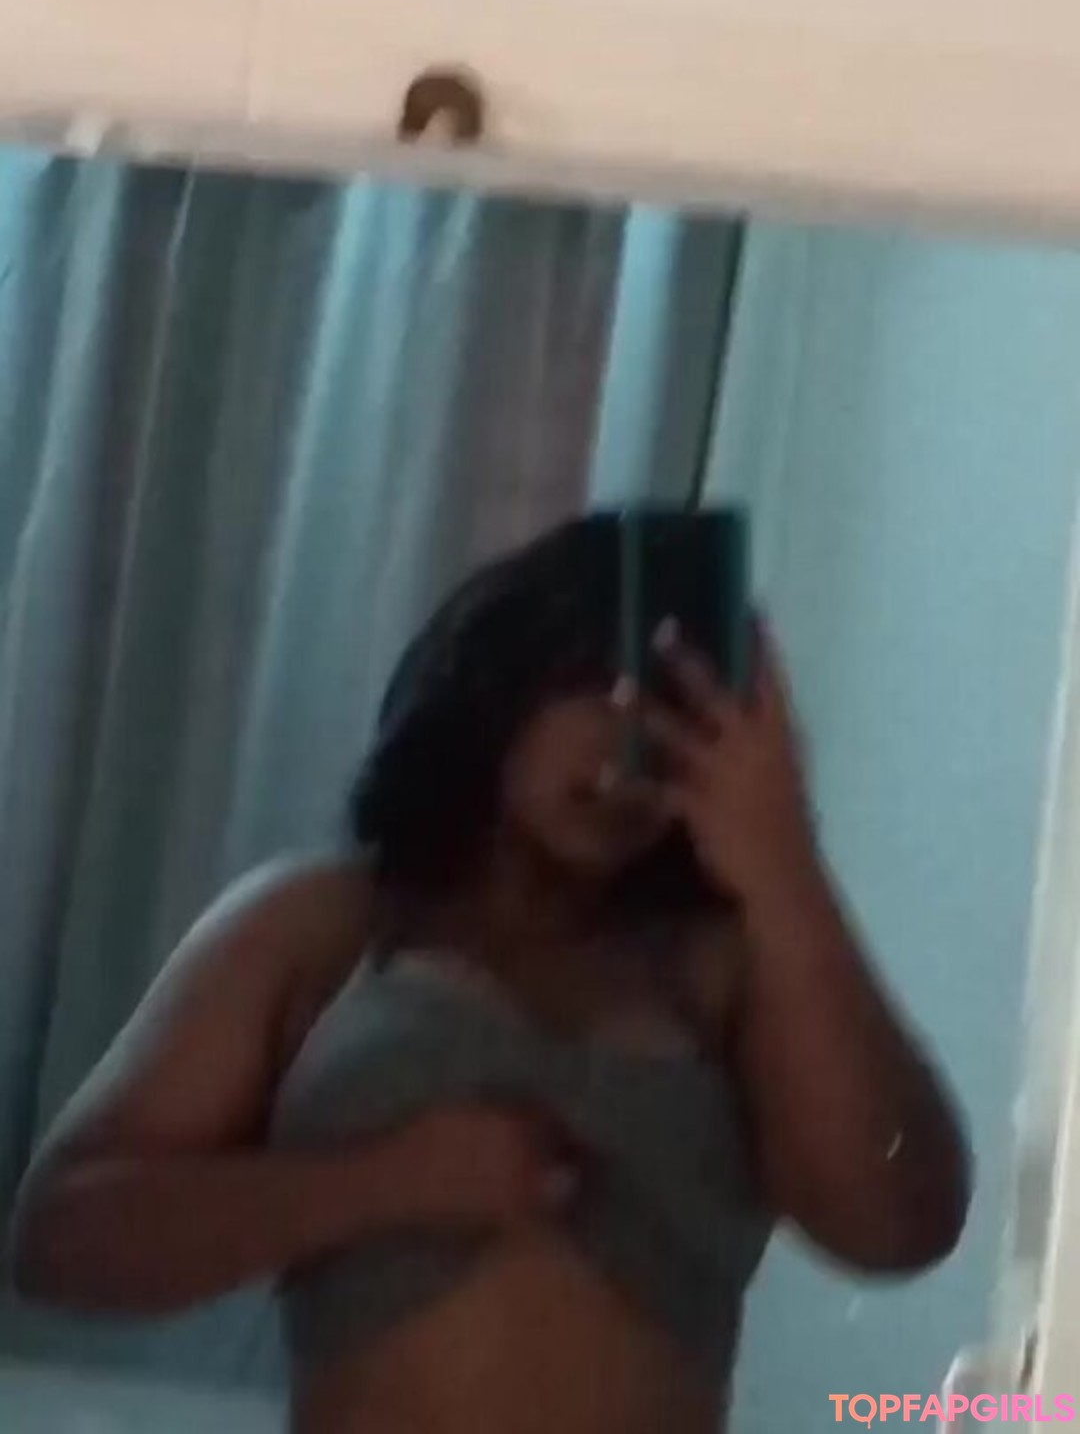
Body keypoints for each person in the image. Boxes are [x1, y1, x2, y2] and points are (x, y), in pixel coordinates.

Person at [9, 514, 971, 1434]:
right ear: (505, 684)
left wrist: (784, 862)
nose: (633, 754)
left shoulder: (726, 963)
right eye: (602, 689)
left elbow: (903, 1224)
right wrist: (385, 1183)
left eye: (678, 716)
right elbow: (60, 1238)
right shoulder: (322, 924)